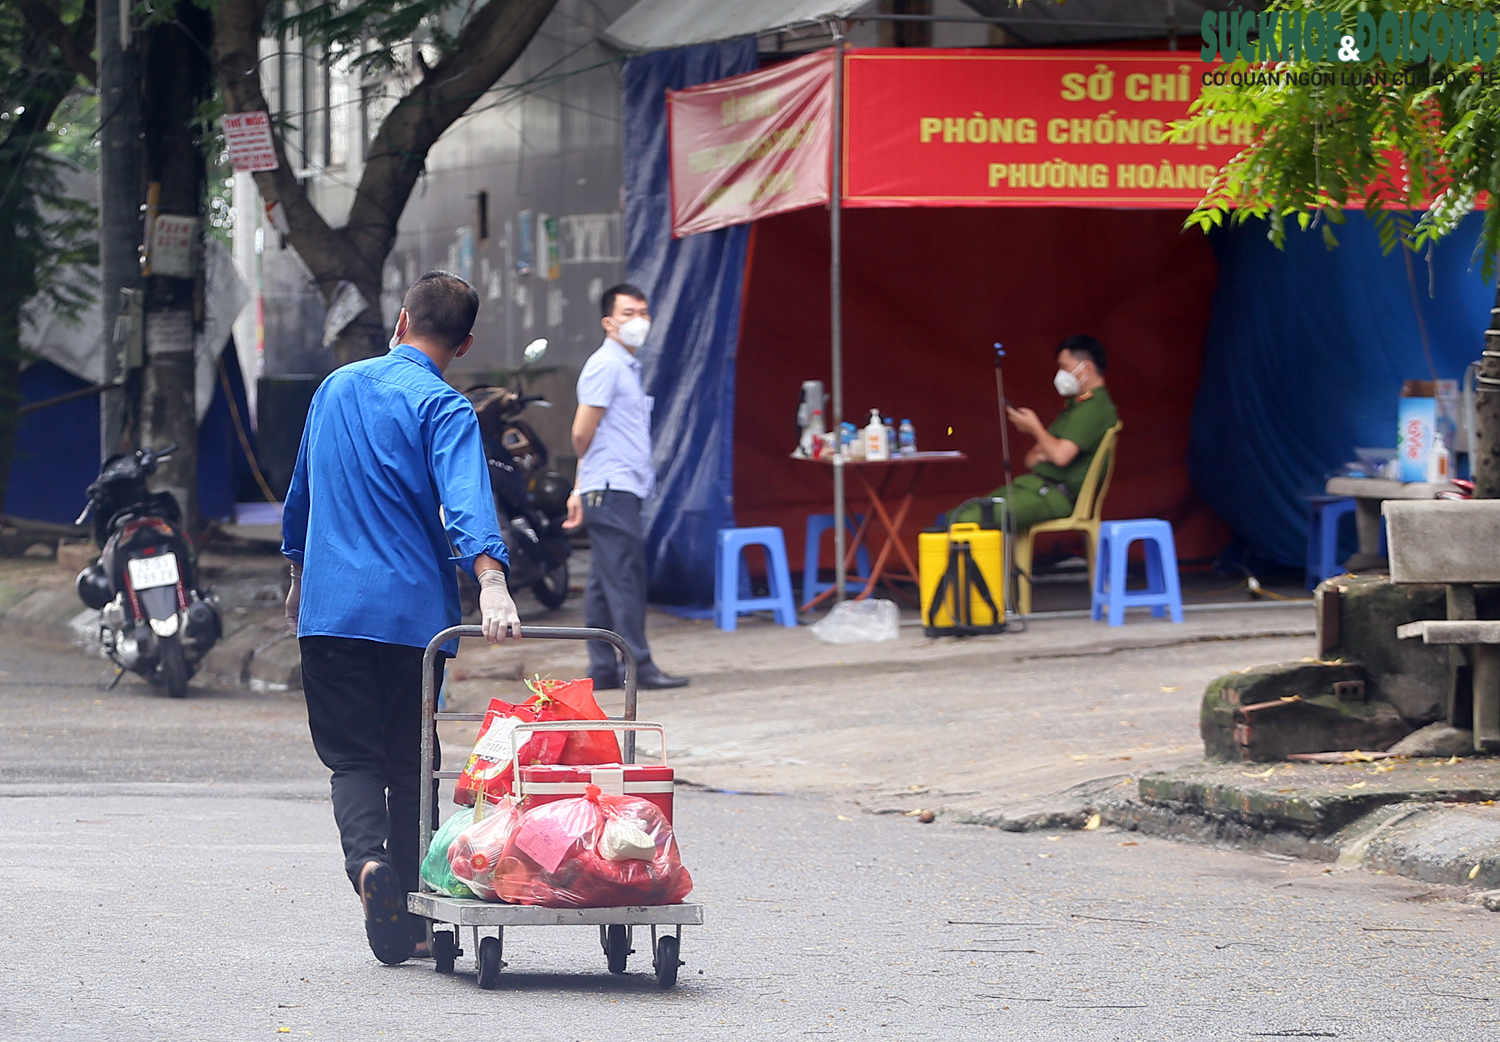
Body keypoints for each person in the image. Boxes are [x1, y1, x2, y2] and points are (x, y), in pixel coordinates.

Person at [281, 270, 522, 966]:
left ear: (400, 321)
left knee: (351, 758)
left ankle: (367, 868)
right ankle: (415, 914)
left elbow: (301, 493)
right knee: (412, 761)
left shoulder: (334, 388)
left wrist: (298, 576)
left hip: (330, 612)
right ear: (465, 342)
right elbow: (467, 503)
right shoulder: (444, 408)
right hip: (411, 622)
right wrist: (492, 583)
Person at [562, 283, 689, 691]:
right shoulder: (607, 366)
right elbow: (582, 434)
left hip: (614, 486)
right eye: (629, 313)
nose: (640, 321)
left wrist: (581, 488)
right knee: (626, 579)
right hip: (613, 488)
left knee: (603, 579)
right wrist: (587, 483)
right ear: (609, 322)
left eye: (643, 312)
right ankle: (639, 665)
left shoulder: (626, 367)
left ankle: (603, 667)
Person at [948, 334, 1119, 530]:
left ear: (1086, 368)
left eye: (1064, 367)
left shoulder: (1094, 408)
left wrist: (1034, 428)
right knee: (958, 513)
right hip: (1036, 488)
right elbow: (1032, 458)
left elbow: (1060, 455)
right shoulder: (1076, 407)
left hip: (1054, 495)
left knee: (969, 519)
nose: (1060, 374)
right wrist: (1047, 447)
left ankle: (973, 562)